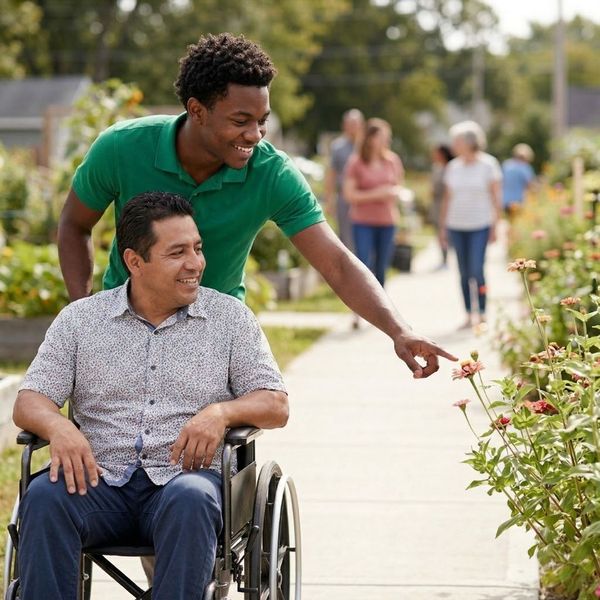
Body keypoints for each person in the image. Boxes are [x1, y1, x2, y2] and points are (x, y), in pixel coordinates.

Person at [57, 32, 456, 379]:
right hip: (122, 327)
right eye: (241, 120)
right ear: (197, 111)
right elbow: (74, 225)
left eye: (262, 120)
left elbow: (335, 261)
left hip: (212, 336)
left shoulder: (271, 173)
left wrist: (398, 330)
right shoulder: (122, 147)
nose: (255, 134)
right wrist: (87, 317)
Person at [14, 192, 288, 600]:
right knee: (44, 497)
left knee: (191, 499)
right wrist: (58, 426)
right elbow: (28, 401)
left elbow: (276, 403)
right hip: (99, 481)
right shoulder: (81, 322)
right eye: (177, 253)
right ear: (134, 261)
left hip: (185, 482)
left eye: (197, 249)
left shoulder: (230, 319)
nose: (195, 263)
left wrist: (221, 412)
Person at [439, 121, 502, 330]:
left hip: (480, 225)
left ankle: (482, 312)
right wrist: (442, 227)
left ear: (468, 141)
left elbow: (496, 197)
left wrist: (496, 226)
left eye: (456, 140)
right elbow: (447, 199)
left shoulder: (488, 164)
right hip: (456, 225)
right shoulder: (453, 167)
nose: (453, 144)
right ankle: (468, 313)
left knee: (477, 269)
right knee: (464, 272)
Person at [342, 118, 403, 288]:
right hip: (363, 221)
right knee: (362, 264)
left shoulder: (393, 161)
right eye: (382, 137)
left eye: (387, 137)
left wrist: (394, 193)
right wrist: (377, 194)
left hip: (387, 221)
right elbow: (349, 195)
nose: (386, 141)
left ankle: (380, 309)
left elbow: (398, 187)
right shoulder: (356, 162)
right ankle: (358, 307)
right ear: (370, 138)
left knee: (382, 267)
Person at [324, 108, 365, 250]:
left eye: (356, 123)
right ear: (344, 125)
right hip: (344, 198)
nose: (353, 127)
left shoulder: (367, 147)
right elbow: (331, 174)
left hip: (366, 198)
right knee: (346, 237)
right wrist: (329, 200)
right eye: (350, 123)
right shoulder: (338, 147)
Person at [429, 144, 454, 269]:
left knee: (446, 231)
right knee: (439, 231)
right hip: (437, 204)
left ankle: (448, 255)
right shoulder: (436, 168)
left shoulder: (451, 168)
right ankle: (444, 257)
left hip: (448, 204)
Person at [502, 143, 535, 217]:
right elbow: (529, 185)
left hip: (505, 200)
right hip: (518, 202)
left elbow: (501, 182)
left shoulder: (507, 164)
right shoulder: (525, 167)